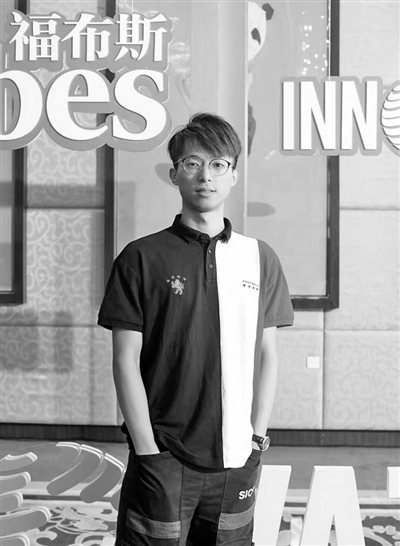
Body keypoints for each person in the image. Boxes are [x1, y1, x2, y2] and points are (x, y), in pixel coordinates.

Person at [98, 112, 294, 545]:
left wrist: (256, 439)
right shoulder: (140, 258)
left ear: (234, 175)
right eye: (192, 163)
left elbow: (267, 355)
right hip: (163, 457)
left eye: (218, 164)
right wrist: (148, 450)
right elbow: (125, 360)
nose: (206, 176)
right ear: (174, 174)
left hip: (237, 459)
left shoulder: (260, 258)